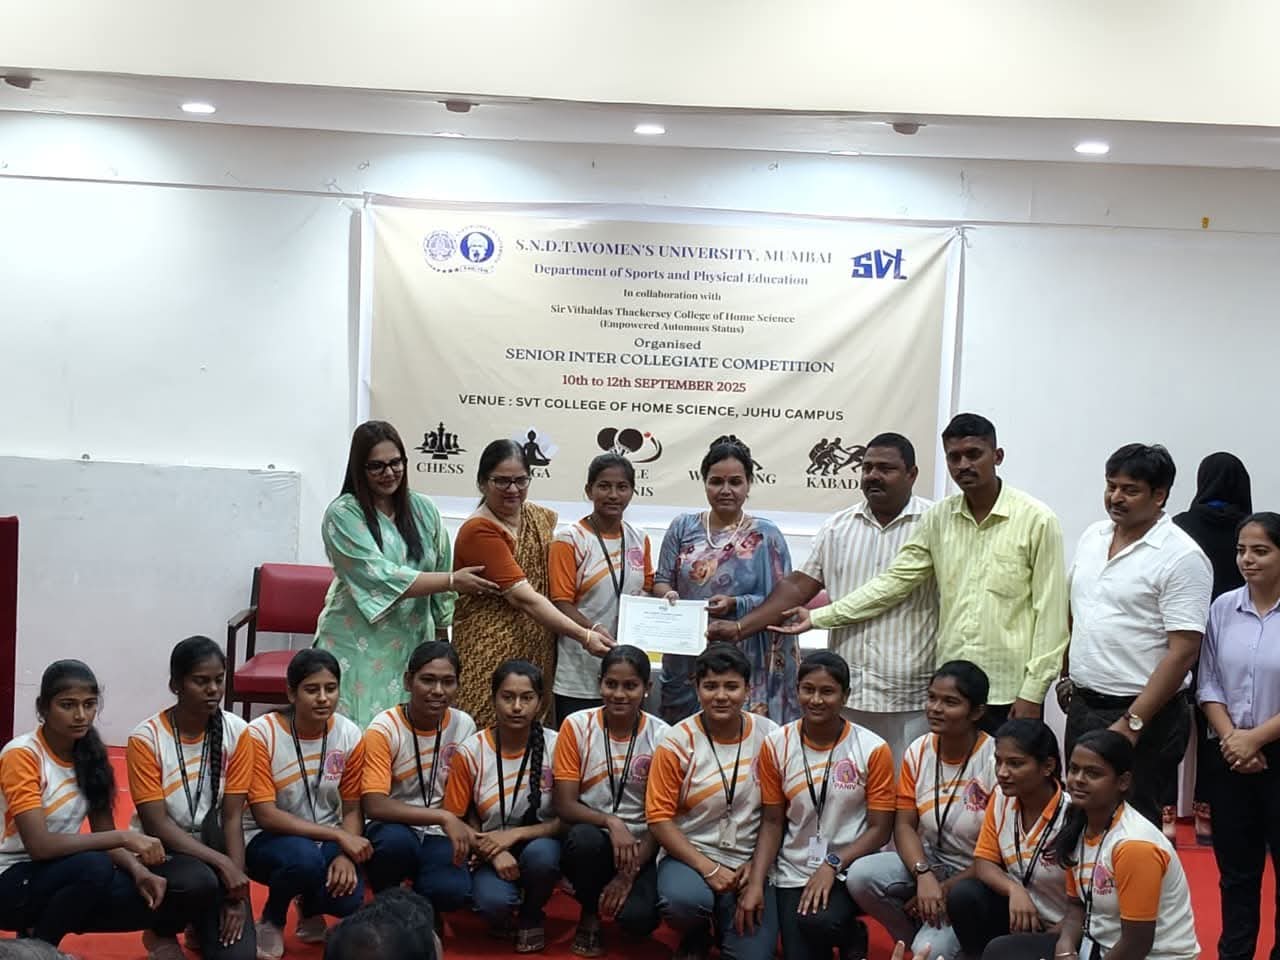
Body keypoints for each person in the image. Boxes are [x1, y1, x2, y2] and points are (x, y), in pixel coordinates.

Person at [772, 414, 1068, 731]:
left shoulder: (1037, 520)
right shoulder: (939, 518)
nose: (963, 465)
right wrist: (818, 617)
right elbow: (893, 583)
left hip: (1009, 691)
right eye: (954, 457)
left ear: (997, 456)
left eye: (974, 454)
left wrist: (1033, 692)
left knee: (1006, 765)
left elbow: (1051, 616)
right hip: (952, 691)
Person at [709, 432, 937, 760]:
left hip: (910, 696)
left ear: (912, 474)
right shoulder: (838, 527)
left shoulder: (935, 524)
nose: (873, 475)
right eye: (867, 467)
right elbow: (798, 586)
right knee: (846, 783)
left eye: (885, 469)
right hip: (847, 693)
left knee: (906, 785)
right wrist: (740, 627)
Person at [0, 661, 213, 958]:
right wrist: (124, 837)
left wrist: (139, 872)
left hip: (60, 872)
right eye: (67, 705)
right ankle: (40, 950)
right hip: (10, 876)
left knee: (184, 883)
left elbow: (104, 834)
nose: (80, 715)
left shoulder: (90, 754)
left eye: (89, 705)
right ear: (43, 708)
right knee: (95, 866)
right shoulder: (22, 755)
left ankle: (160, 933)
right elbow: (40, 846)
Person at [1058, 444, 1210, 829]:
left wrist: (1132, 723)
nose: (1115, 497)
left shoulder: (1182, 556)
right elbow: (1078, 611)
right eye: (1111, 486)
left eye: (1130, 490)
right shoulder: (1093, 536)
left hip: (1145, 715)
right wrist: (1065, 675)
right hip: (1085, 705)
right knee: (1080, 816)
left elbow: (1184, 651)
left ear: (1159, 496)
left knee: (1133, 824)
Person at [313, 420, 497, 727]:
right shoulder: (343, 514)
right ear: (359, 468)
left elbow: (441, 565)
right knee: (357, 731)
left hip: (412, 640)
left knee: (406, 733)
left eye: (395, 462)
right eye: (376, 466)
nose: (388, 472)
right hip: (356, 642)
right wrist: (453, 581)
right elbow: (380, 575)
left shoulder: (423, 509)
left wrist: (442, 638)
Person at [846, 660, 998, 960]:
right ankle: (916, 938)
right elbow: (904, 825)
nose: (935, 708)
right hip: (931, 862)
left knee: (934, 948)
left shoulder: (995, 760)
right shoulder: (919, 749)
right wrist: (924, 874)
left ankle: (942, 942)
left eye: (950, 702)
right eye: (931, 698)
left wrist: (944, 888)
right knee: (860, 876)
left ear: (976, 712)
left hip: (976, 876)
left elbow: (998, 855)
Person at [452, 440, 606, 726]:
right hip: (488, 651)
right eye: (502, 481)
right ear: (482, 483)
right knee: (487, 732)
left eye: (520, 480)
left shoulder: (537, 517)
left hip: (537, 647)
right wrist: (584, 636)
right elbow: (524, 597)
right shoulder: (479, 530)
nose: (513, 489)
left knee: (531, 735)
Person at [755, 651, 896, 960]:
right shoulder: (776, 743)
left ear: (845, 695)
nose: (816, 700)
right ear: (797, 690)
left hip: (850, 868)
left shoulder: (872, 748)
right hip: (793, 868)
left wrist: (833, 863)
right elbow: (772, 821)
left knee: (819, 921)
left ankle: (851, 932)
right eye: (808, 689)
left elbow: (880, 830)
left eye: (827, 691)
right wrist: (756, 882)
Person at [645, 643, 779, 960]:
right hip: (692, 856)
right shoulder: (676, 741)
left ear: (748, 689)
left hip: (750, 859)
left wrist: (757, 873)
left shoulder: (770, 736)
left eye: (731, 686)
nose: (721, 696)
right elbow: (659, 819)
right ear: (696, 687)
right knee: (683, 902)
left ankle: (725, 917)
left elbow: (775, 816)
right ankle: (696, 932)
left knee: (754, 956)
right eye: (711, 686)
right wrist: (709, 868)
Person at [126, 636, 258, 959]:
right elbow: (156, 824)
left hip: (215, 847)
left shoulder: (238, 732)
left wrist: (237, 895)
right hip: (166, 852)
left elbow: (232, 817)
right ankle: (160, 931)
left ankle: (201, 923)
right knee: (198, 881)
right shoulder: (146, 739)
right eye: (201, 681)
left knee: (238, 957)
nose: (213, 689)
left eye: (218, 680)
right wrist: (222, 863)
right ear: (176, 685)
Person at [655, 436, 794, 723]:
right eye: (716, 481)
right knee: (685, 737)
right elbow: (662, 580)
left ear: (749, 484)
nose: (726, 490)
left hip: (745, 655)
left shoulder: (766, 535)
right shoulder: (682, 527)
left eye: (735, 482)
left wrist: (736, 604)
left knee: (743, 737)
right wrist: (668, 596)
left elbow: (784, 602)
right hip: (687, 653)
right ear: (704, 482)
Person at [244, 650, 370, 958]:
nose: (323, 698)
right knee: (303, 861)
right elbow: (266, 815)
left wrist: (346, 855)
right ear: (291, 693)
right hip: (264, 838)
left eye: (331, 688)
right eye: (312, 689)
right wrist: (339, 836)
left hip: (323, 838)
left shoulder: (349, 734)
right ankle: (272, 919)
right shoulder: (261, 734)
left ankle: (310, 908)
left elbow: (352, 807)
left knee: (349, 897)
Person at [1197, 511, 1280, 960]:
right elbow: (1208, 682)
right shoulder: (1223, 607)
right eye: (1241, 550)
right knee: (1236, 874)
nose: (1247, 559)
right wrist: (1234, 739)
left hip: (1273, 752)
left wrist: (1256, 739)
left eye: (1260, 551)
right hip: (1229, 755)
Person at [553, 646, 668, 956]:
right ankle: (589, 911)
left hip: (644, 845)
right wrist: (611, 821)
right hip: (594, 838)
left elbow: (663, 817)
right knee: (583, 840)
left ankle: (622, 892)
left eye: (630, 686)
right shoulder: (576, 725)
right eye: (611, 684)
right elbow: (564, 805)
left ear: (647, 688)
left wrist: (628, 874)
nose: (619, 694)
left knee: (638, 921)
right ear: (599, 683)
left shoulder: (663, 736)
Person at [442, 660, 561, 953]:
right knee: (493, 903)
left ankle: (532, 914)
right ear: (493, 698)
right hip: (488, 847)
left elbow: (569, 818)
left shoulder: (558, 746)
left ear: (540, 702)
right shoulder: (471, 750)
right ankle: (505, 908)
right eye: (508, 697)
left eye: (527, 698)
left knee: (543, 856)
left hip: (540, 843)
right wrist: (492, 852)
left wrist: (516, 835)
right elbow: (456, 819)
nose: (517, 707)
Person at [1051, 731, 1199, 960]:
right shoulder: (1079, 824)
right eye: (1074, 769)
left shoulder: (1134, 845)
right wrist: (1065, 947)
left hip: (1149, 956)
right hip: (1099, 947)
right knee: (1004, 949)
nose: (1078, 779)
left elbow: (1136, 944)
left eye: (1093, 773)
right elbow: (1076, 907)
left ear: (1123, 782)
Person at [361, 641, 477, 918]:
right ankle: (387, 907)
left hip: (440, 833)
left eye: (448, 682)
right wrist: (443, 817)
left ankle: (424, 914)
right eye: (428, 680)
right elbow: (374, 804)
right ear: (407, 681)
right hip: (394, 826)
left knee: (452, 890)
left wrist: (469, 831)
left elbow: (470, 793)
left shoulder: (464, 725)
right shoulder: (383, 728)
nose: (438, 691)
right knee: (394, 846)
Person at [1173, 451, 1252, 844]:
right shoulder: (1248, 529)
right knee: (1216, 725)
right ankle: (1207, 812)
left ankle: (1165, 812)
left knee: (1169, 723)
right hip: (1232, 637)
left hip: (1180, 636)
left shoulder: (1180, 526)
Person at [946, 719, 1069, 960]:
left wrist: (1062, 931)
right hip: (1019, 916)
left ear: (1048, 766)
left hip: (1062, 928)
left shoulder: (1073, 816)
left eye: (1015, 764)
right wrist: (1014, 889)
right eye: (998, 761)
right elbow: (983, 861)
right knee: (964, 895)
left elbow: (1090, 904)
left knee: (1000, 951)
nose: (1002, 773)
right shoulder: (1001, 799)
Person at [549, 454, 654, 722]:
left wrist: (668, 602)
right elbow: (560, 603)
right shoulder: (569, 539)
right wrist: (591, 630)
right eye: (604, 486)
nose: (613, 495)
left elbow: (648, 591)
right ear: (589, 490)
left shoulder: (640, 538)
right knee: (578, 741)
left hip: (627, 675)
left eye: (622, 487)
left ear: (632, 491)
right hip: (579, 668)